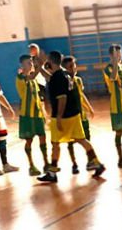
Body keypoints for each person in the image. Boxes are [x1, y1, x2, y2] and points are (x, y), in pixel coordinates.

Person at [37, 51, 105, 183]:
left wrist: (59, 117)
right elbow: (50, 78)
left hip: (63, 116)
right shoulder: (65, 74)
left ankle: (52, 172)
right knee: (82, 140)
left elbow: (62, 98)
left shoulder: (57, 78)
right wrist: (39, 68)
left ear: (50, 61)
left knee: (55, 143)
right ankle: (97, 163)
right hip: (74, 114)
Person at [16, 54, 50, 176]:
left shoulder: (34, 80)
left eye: (31, 62)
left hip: (37, 114)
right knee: (29, 140)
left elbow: (38, 98)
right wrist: (40, 66)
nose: (31, 64)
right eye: (28, 63)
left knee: (43, 137)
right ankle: (31, 165)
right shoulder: (21, 77)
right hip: (27, 115)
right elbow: (31, 77)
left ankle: (46, 163)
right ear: (22, 65)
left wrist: (43, 114)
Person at [63, 56, 96, 174]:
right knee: (70, 141)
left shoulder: (78, 80)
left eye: (74, 65)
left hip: (82, 115)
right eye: (70, 66)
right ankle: (74, 164)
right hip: (71, 116)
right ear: (65, 68)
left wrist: (89, 108)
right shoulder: (64, 81)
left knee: (87, 138)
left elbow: (81, 95)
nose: (74, 68)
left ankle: (90, 161)